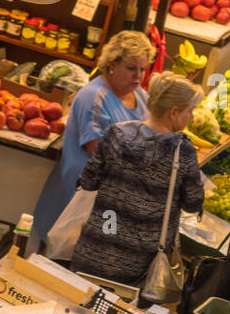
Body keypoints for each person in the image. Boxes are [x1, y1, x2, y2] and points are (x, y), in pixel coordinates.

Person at [70, 73, 205, 289]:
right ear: (173, 112)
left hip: (98, 243)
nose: (191, 116)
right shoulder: (182, 151)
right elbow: (193, 203)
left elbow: (88, 181)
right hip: (140, 261)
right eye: (189, 110)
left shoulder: (117, 133)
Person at [28, 30, 154, 255]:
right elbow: (101, 152)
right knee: (62, 265)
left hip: (115, 198)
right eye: (131, 68)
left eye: (142, 69)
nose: (138, 77)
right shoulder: (93, 96)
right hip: (81, 199)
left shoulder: (140, 96)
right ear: (112, 64)